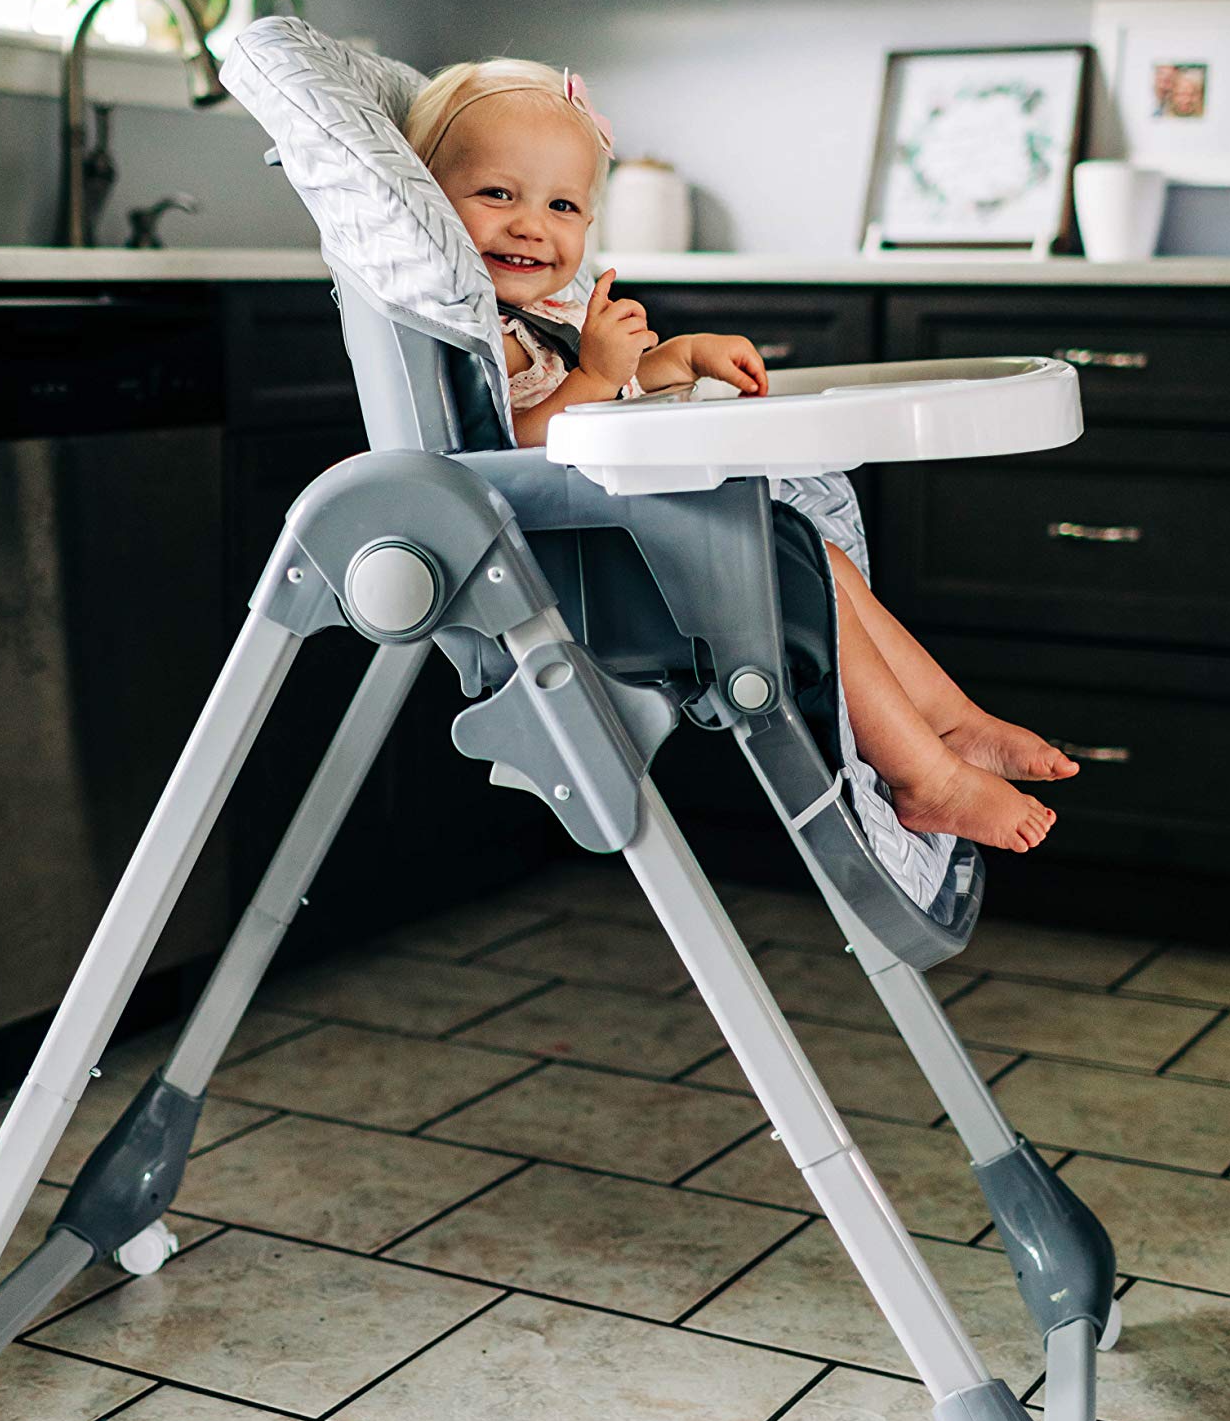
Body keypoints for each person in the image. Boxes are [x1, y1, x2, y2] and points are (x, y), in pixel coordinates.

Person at [403, 56, 1074, 856]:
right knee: (800, 566)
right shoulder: (477, 338)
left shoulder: (534, 324)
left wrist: (677, 358)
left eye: (561, 205)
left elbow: (610, 399)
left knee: (822, 561)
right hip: (587, 571)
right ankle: (925, 778)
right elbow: (519, 447)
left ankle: (954, 723)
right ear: (430, 205)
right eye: (495, 195)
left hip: (628, 541)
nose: (530, 224)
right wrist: (593, 373)